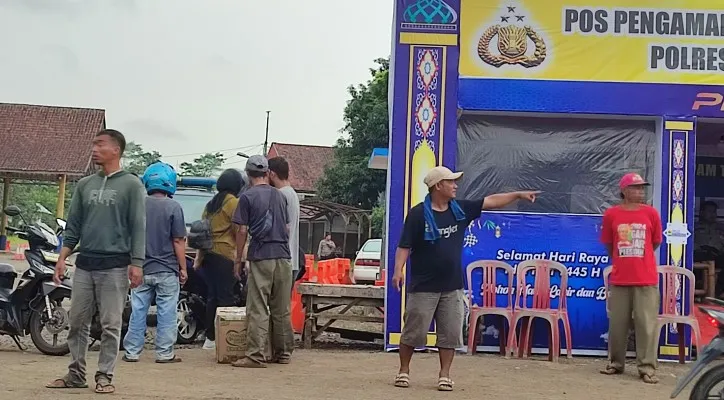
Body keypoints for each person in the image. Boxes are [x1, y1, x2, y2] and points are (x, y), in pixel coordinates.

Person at [391, 166, 538, 392]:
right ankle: (404, 370)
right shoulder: (418, 214)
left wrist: (518, 195)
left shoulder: (459, 210)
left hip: (452, 286)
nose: (455, 185)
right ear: (438, 186)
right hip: (423, 286)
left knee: (449, 333)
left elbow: (491, 201)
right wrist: (398, 270)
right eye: (451, 182)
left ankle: (444, 374)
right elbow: (404, 245)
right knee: (414, 331)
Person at [47, 129, 146, 394]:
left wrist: (137, 263)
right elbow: (74, 225)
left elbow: (138, 226)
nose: (94, 149)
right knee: (77, 321)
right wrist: (63, 256)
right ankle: (76, 374)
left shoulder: (132, 185)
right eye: (94, 144)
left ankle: (104, 376)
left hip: (115, 265)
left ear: (116, 150)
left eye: (100, 144)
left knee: (111, 324)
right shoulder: (85, 185)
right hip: (85, 264)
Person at [599, 172, 662, 384]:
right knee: (618, 324)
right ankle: (616, 363)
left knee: (646, 325)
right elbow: (609, 243)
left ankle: (646, 368)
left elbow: (654, 243)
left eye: (642, 188)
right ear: (624, 191)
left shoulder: (651, 213)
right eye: (635, 188)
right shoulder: (612, 214)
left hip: (646, 279)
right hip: (620, 279)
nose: (640, 191)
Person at [231, 155, 294, 368]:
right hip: (284, 256)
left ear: (249, 175)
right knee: (281, 307)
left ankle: (255, 355)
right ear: (267, 173)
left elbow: (241, 230)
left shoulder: (247, 197)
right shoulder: (280, 196)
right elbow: (286, 228)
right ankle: (283, 352)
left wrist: (238, 259)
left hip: (261, 255)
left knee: (258, 306)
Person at [122, 162, 187, 363]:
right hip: (167, 270)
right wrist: (183, 268)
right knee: (167, 312)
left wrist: (130, 266)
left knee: (138, 310)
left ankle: (132, 352)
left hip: (141, 269)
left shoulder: (138, 205)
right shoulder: (174, 207)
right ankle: (165, 353)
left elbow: (129, 238)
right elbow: (178, 240)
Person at [193, 168, 244, 350]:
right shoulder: (233, 203)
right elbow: (239, 230)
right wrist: (240, 257)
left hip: (209, 256)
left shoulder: (210, 205)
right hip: (225, 255)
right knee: (226, 298)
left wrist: (198, 259)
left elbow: (202, 233)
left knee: (212, 297)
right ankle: (226, 339)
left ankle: (210, 338)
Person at [268, 156, 300, 282]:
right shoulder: (292, 193)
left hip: (280, 260)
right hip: (292, 259)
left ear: (272, 174)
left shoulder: (280, 195)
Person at [694, 201, 724, 295]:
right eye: (709, 211)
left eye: (714, 212)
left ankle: (717, 292)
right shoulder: (694, 226)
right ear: (702, 213)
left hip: (717, 254)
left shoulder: (721, 227)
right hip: (700, 253)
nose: (712, 214)